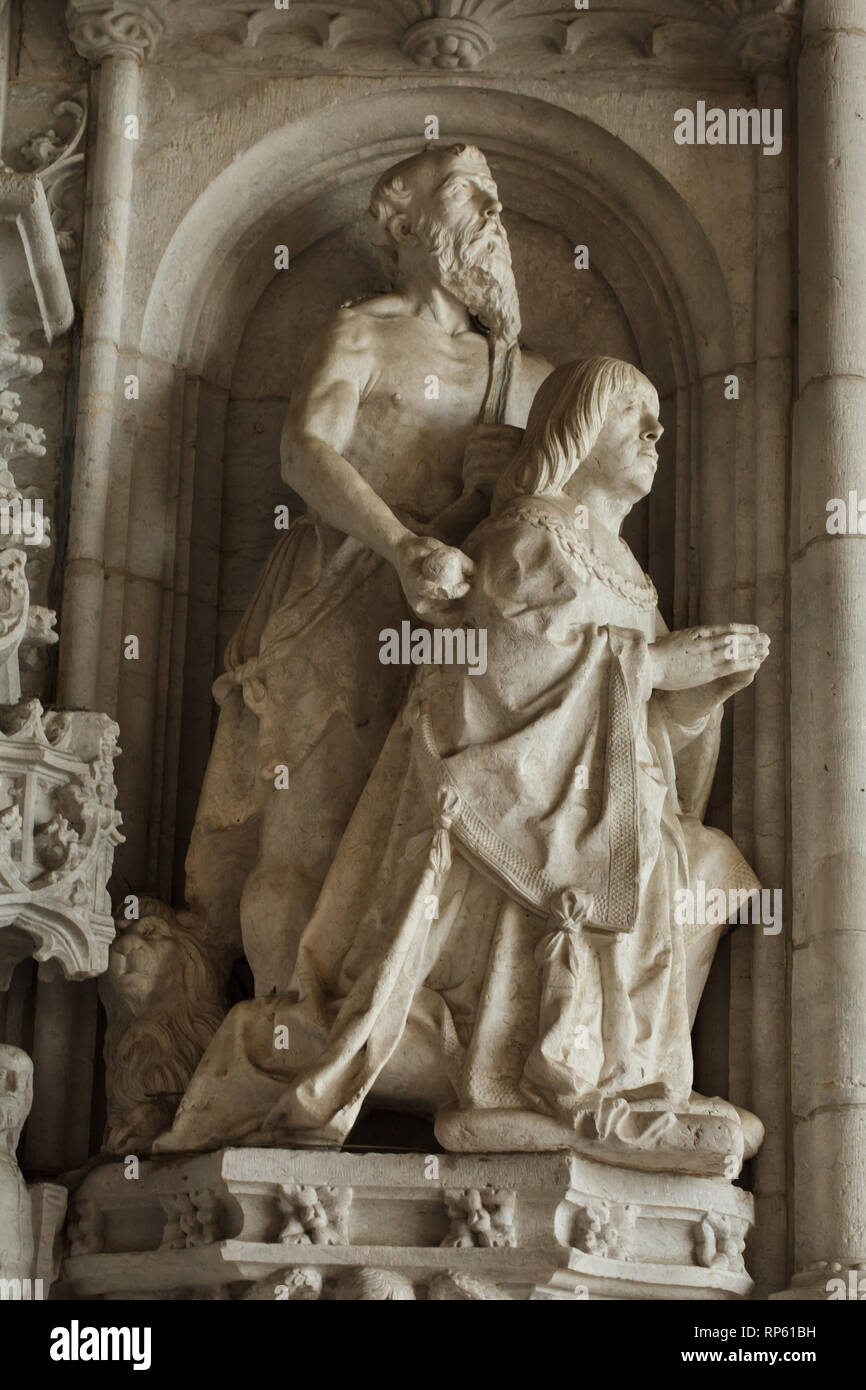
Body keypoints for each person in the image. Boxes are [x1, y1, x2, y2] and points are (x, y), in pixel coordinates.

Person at [156, 358, 768, 1172]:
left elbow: (645, 727)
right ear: (578, 429)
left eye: (661, 417)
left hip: (605, 808)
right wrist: (655, 667)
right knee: (650, 866)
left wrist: (700, 690)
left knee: (716, 867)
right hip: (510, 822)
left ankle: (632, 1082)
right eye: (634, 413)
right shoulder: (528, 538)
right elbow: (495, 682)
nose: (657, 434)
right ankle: (541, 1093)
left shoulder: (625, 571)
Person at [181, 143, 552, 994]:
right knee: (308, 839)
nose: (494, 218)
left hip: (467, 631)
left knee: (442, 855)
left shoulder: (528, 379)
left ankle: (422, 1054)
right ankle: (286, 1047)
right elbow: (304, 452)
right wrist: (402, 545)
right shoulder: (364, 332)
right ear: (404, 227)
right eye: (467, 196)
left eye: (497, 199)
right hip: (345, 602)